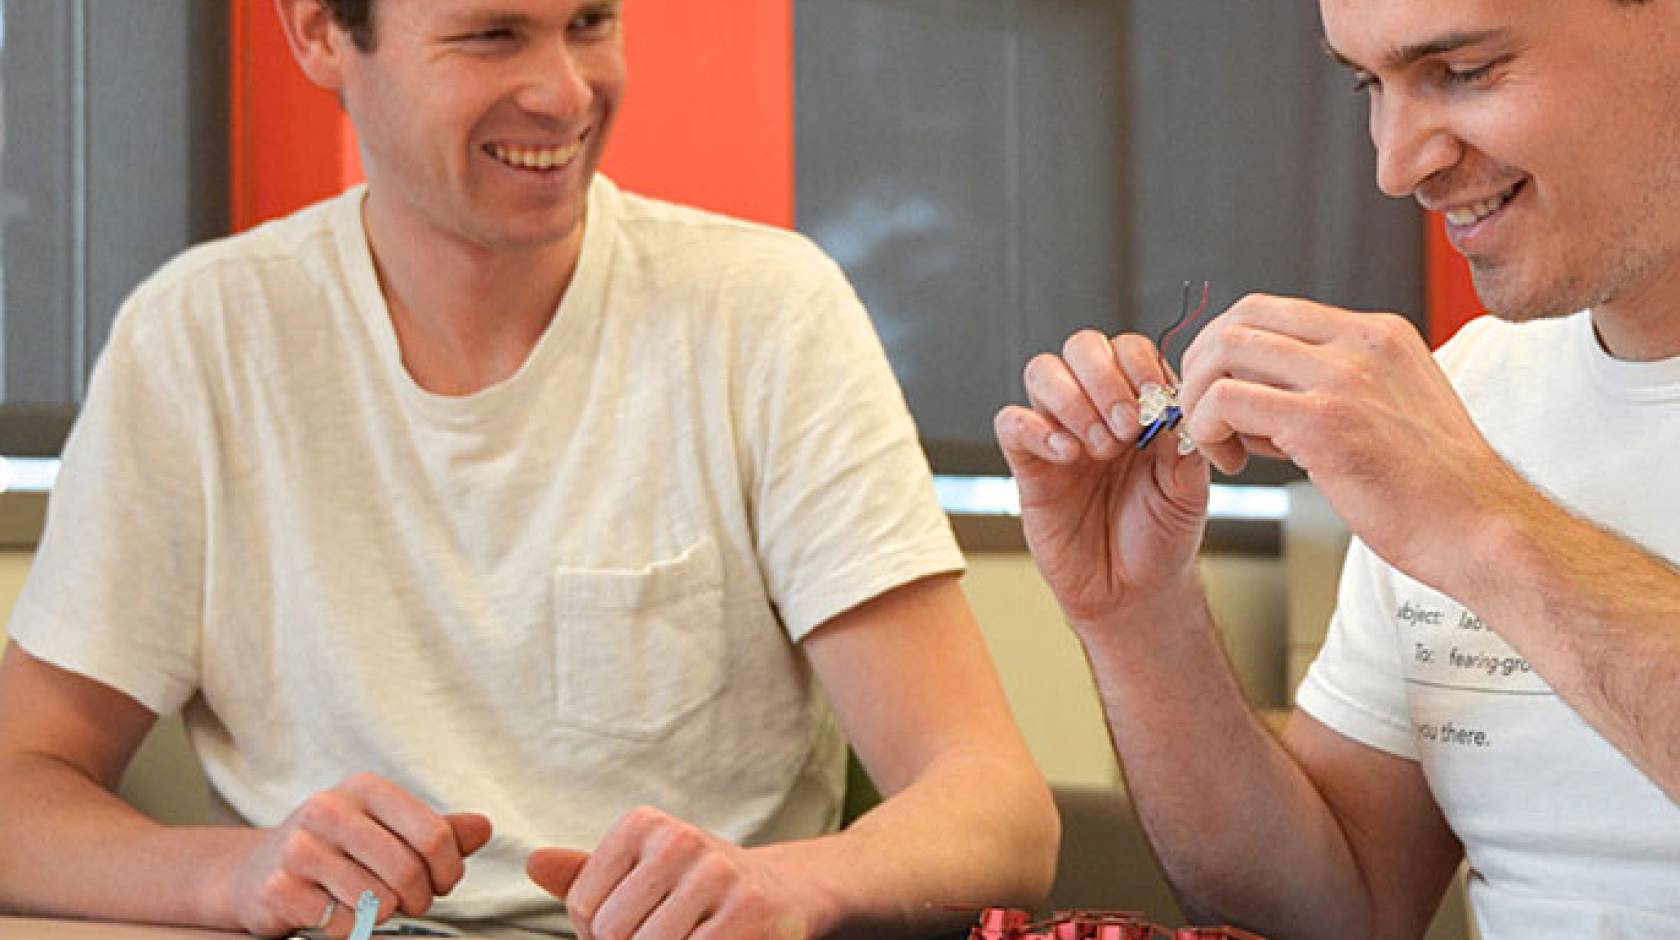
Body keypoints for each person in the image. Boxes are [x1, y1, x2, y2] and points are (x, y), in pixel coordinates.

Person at [0, 1, 1059, 937]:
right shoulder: (199, 337)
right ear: (323, 32)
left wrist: (794, 885)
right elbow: (17, 791)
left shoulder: (767, 313)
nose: (564, 93)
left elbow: (997, 807)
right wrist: (233, 872)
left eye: (591, 22)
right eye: (492, 34)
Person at [995, 0, 1680, 937]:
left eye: (1464, 71)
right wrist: (1139, 618)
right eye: (1369, 85)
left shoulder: (1454, 467)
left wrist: (1481, 523)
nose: (1396, 167)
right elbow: (1328, 914)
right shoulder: (1469, 397)